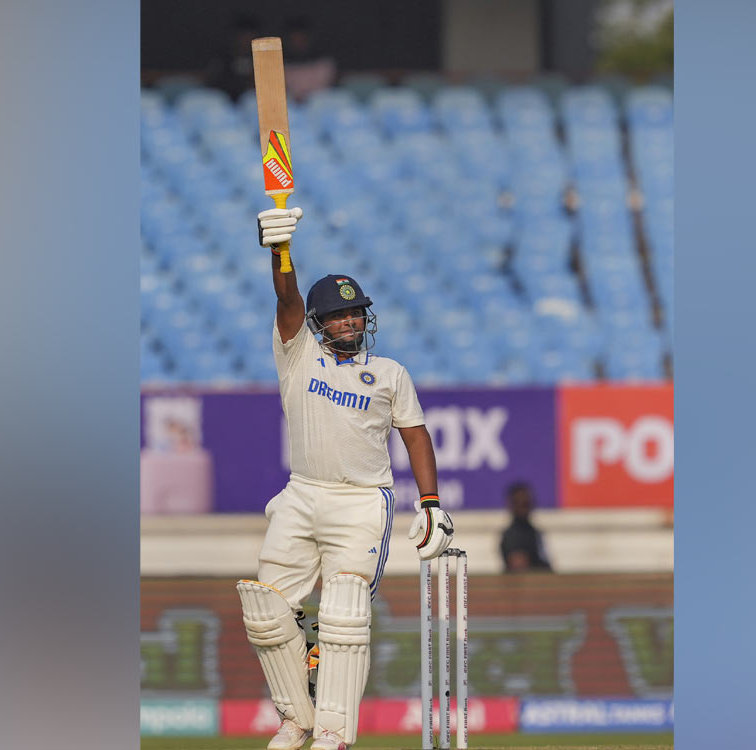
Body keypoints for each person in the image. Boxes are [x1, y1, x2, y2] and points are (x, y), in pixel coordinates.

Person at [236, 206, 454, 750]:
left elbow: (416, 435)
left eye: (356, 313)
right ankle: (296, 718)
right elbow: (287, 299)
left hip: (360, 502)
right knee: (265, 611)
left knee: (344, 613)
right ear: (317, 323)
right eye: (339, 316)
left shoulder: (389, 373)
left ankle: (333, 733)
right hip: (301, 492)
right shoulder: (298, 355)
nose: (351, 322)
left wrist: (430, 502)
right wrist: (281, 250)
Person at [499, 482, 552, 573]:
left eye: (526, 504)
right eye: (519, 504)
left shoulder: (534, 532)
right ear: (512, 505)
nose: (523, 509)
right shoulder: (511, 536)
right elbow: (519, 569)